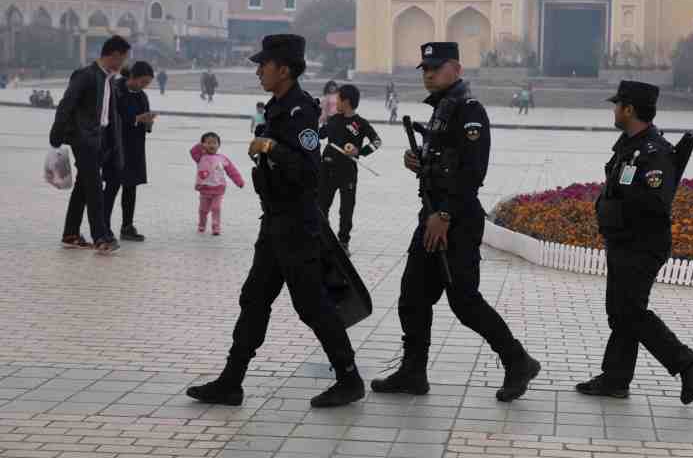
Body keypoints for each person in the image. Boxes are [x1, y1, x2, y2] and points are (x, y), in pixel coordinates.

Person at [186, 34, 365, 408]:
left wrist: (271, 147)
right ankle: (231, 381)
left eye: (263, 65)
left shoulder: (300, 111)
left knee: (312, 304)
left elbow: (308, 170)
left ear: (284, 69)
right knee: (254, 299)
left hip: (296, 224)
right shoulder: (276, 106)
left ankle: (349, 378)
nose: (258, 71)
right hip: (275, 221)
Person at [372, 41, 540, 402]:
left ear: (457, 70)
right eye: (426, 69)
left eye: (436, 67)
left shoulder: (469, 111)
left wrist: (445, 214)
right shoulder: (441, 110)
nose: (429, 74)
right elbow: (444, 162)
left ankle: (518, 361)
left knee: (464, 302)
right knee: (412, 297)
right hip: (432, 216)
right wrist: (418, 161)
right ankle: (413, 373)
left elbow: (472, 172)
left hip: (456, 219)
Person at [581, 80, 693, 404]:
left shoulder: (655, 152)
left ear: (630, 109)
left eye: (617, 105)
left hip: (642, 244)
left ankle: (686, 361)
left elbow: (655, 203)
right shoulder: (629, 145)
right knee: (620, 313)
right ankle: (615, 379)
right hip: (623, 241)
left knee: (630, 313)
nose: (614, 110)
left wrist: (618, 210)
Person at [49, 35, 130, 254]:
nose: (122, 64)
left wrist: (113, 144)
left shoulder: (107, 79)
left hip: (99, 139)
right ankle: (101, 237)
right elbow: (67, 104)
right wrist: (56, 135)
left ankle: (71, 233)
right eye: (121, 59)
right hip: (83, 139)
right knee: (94, 189)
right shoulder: (85, 76)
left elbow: (109, 114)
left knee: (84, 187)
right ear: (113, 55)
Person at [318, 84, 381, 253]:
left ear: (346, 101)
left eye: (338, 99)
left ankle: (343, 242)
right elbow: (318, 134)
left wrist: (359, 151)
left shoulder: (360, 124)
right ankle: (323, 238)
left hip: (348, 172)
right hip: (327, 169)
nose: (335, 102)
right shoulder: (333, 120)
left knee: (346, 209)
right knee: (321, 205)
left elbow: (377, 142)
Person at [103, 61, 156, 242]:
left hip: (135, 148)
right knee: (112, 187)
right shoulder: (116, 90)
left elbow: (144, 120)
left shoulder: (141, 96)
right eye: (143, 81)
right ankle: (103, 227)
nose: (144, 86)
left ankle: (127, 226)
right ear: (132, 76)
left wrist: (148, 122)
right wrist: (135, 119)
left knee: (131, 187)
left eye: (147, 83)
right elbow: (111, 117)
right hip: (117, 146)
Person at [190, 132, 244, 235]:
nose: (211, 145)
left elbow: (232, 171)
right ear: (203, 145)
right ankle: (202, 224)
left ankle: (216, 227)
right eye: (208, 143)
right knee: (203, 209)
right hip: (204, 188)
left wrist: (239, 181)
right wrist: (200, 146)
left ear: (218, 145)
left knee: (216, 208)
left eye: (214, 143)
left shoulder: (222, 158)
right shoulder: (200, 157)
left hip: (218, 188)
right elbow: (193, 152)